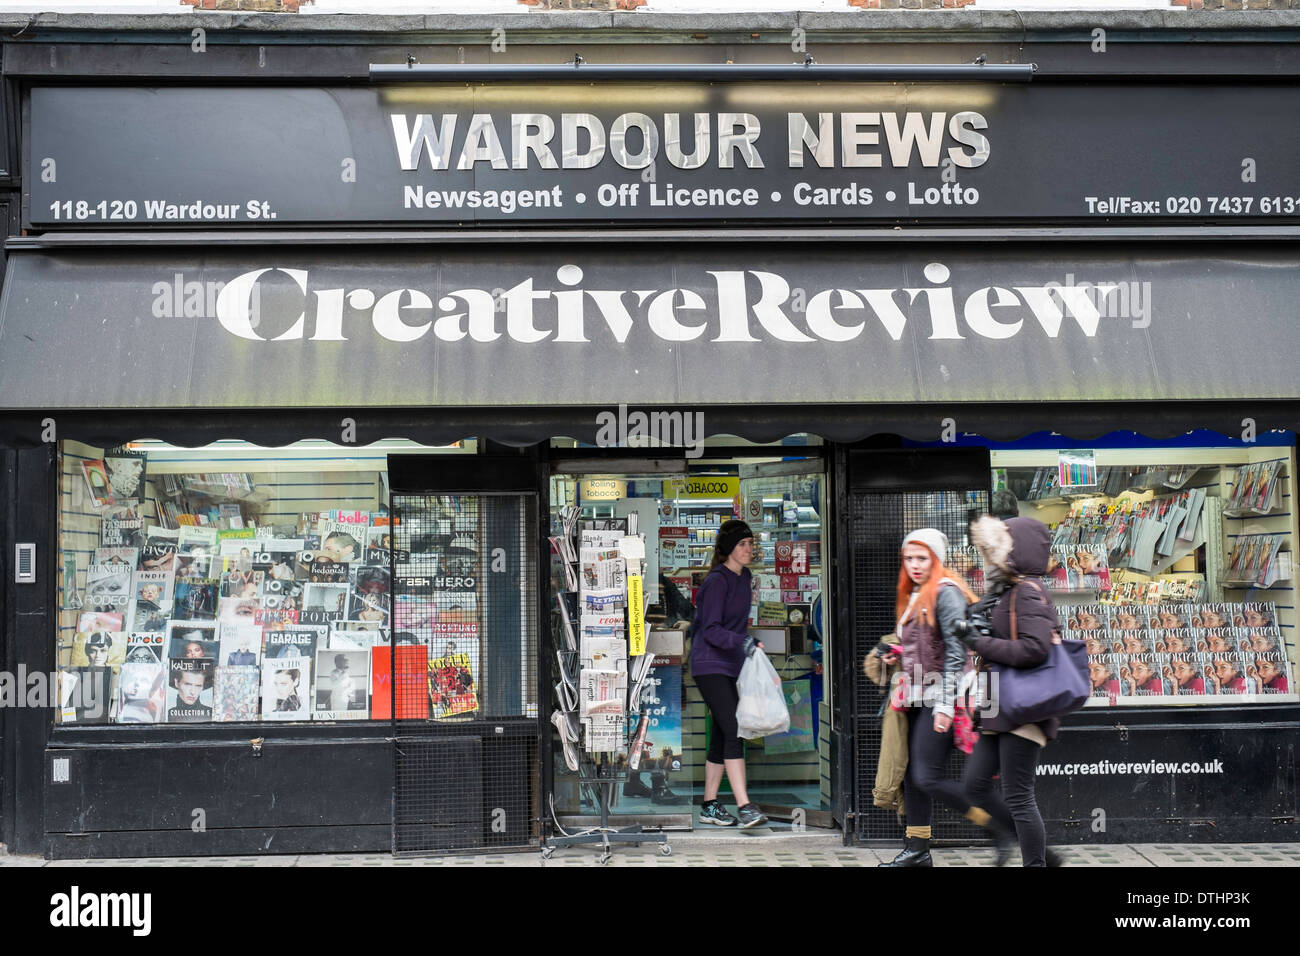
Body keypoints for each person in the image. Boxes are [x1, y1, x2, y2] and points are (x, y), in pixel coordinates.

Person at [877, 528, 995, 868]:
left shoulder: (946, 592)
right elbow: (929, 645)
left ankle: (993, 824)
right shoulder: (916, 591)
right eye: (909, 558)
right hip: (916, 695)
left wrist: (943, 706)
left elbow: (956, 655)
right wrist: (897, 652)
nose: (914, 565)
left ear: (936, 559)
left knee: (926, 776)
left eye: (922, 558)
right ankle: (917, 850)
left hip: (942, 696)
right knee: (916, 774)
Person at [956, 515, 1066, 867]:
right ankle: (1046, 857)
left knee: (1019, 796)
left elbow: (1036, 650)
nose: (988, 559)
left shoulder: (1028, 593)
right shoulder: (1006, 592)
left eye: (994, 551)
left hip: (1023, 705)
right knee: (974, 786)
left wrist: (980, 642)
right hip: (997, 704)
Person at [688, 519, 768, 829]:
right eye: (742, 544)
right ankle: (745, 805)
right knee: (735, 729)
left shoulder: (745, 577)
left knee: (723, 732)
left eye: (750, 543)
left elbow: (735, 627)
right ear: (728, 550)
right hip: (709, 665)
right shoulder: (716, 581)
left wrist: (748, 644)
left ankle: (709, 805)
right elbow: (710, 630)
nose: (749, 549)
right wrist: (742, 641)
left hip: (732, 664)